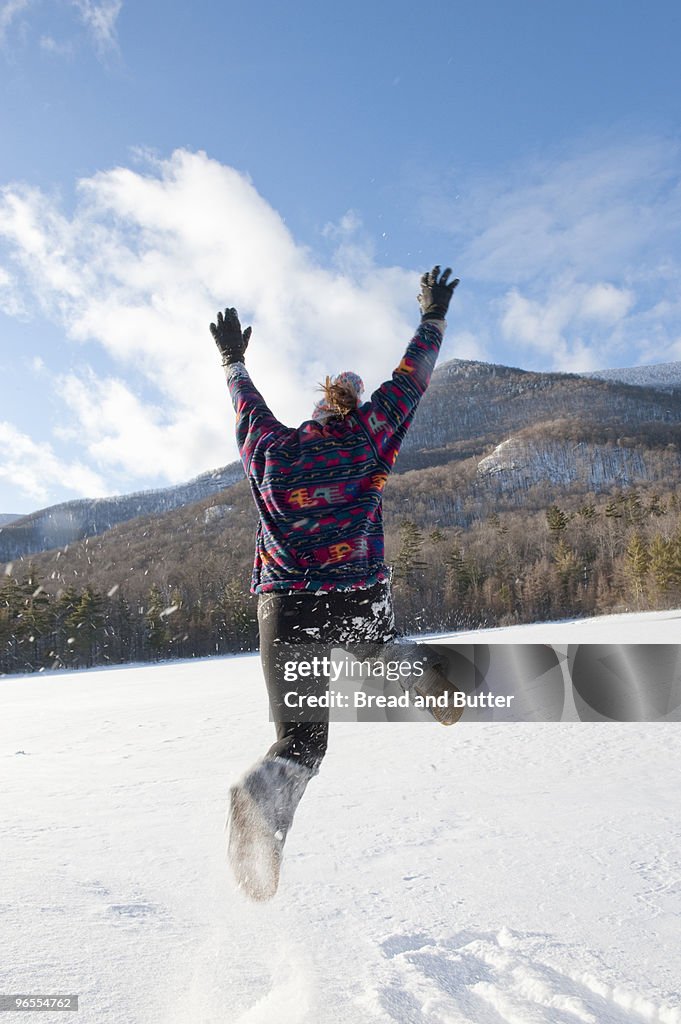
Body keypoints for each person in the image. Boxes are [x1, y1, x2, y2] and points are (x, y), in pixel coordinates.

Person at [211, 266, 459, 900]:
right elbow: (410, 383)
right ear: (352, 405)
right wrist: (431, 319)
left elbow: (247, 409)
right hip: (355, 594)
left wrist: (234, 361)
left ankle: (261, 803)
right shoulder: (370, 438)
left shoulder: (271, 450)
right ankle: (426, 679)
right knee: (376, 647)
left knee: (300, 742)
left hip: (284, 608)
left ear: (317, 409)